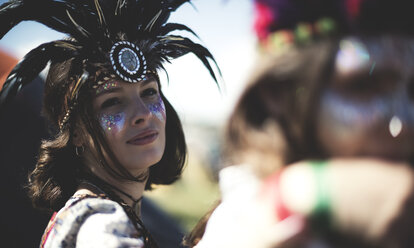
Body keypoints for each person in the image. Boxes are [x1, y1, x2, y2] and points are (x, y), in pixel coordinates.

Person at [187, 0, 414, 247]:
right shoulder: (241, 230)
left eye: (413, 92)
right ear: (278, 93)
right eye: (364, 86)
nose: (404, 122)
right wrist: (286, 199)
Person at [0, 0, 219, 247]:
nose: (143, 113)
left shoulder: (98, 213)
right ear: (76, 132)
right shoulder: (101, 227)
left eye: (148, 92)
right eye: (113, 101)